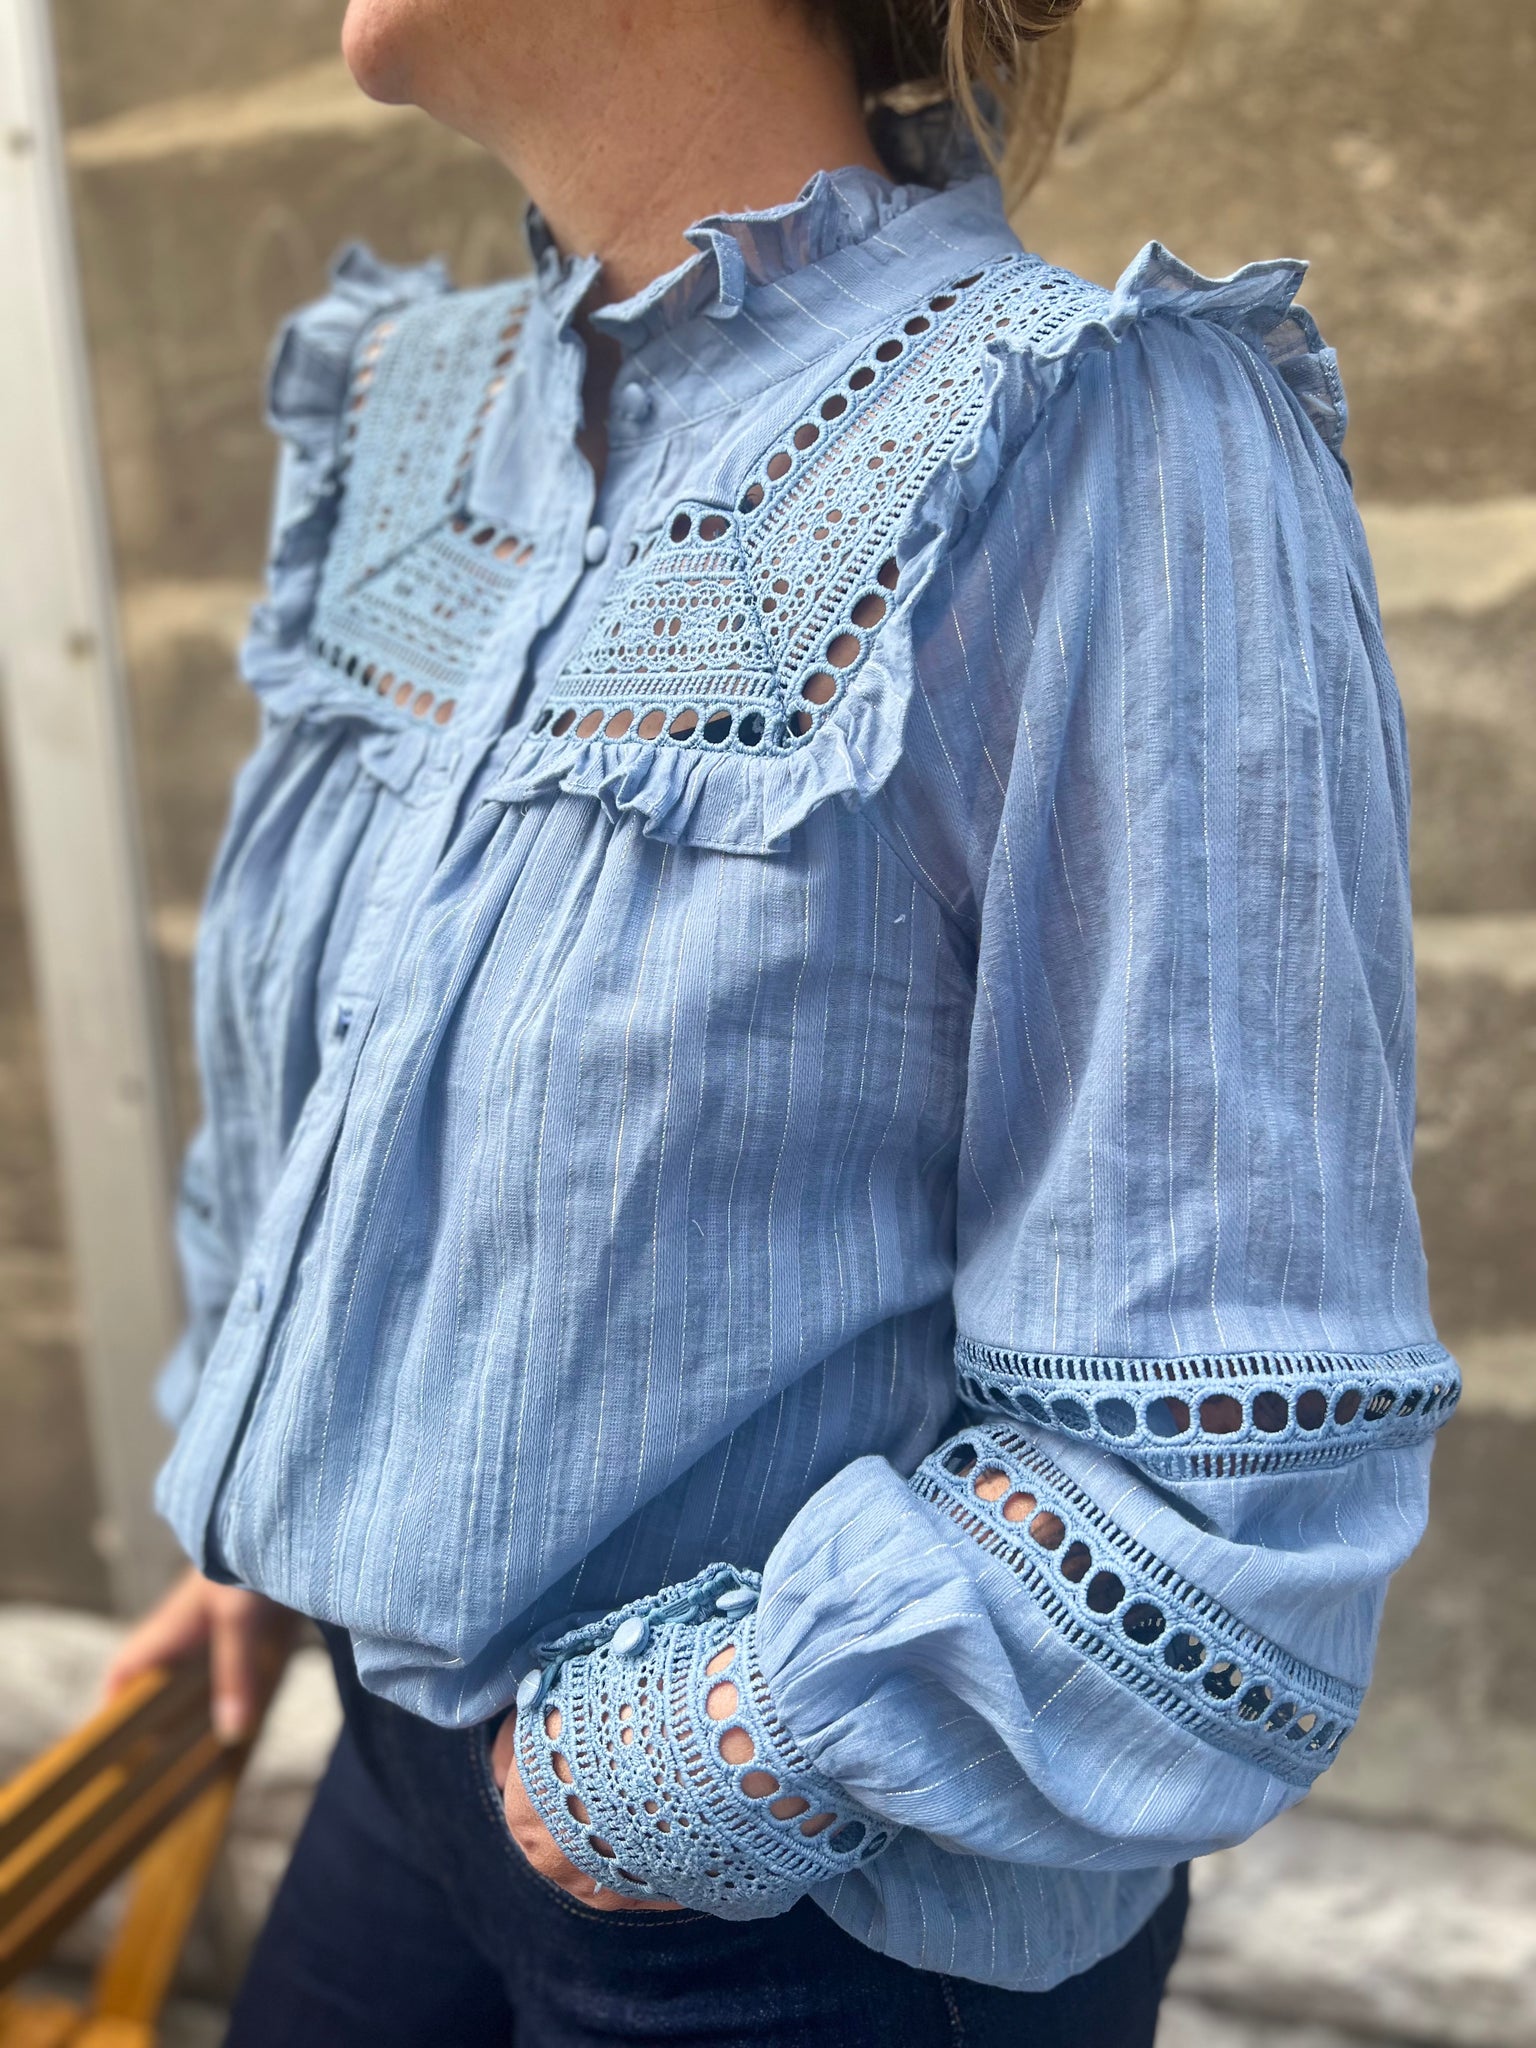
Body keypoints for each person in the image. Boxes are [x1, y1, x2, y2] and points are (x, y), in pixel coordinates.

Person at [105, 0, 1461, 2040]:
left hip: (799, 1895)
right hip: (387, 1756)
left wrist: (686, 1759)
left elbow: (1226, 1465)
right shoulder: (418, 420)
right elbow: (332, 1101)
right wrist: (271, 1502)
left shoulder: (1097, 448)